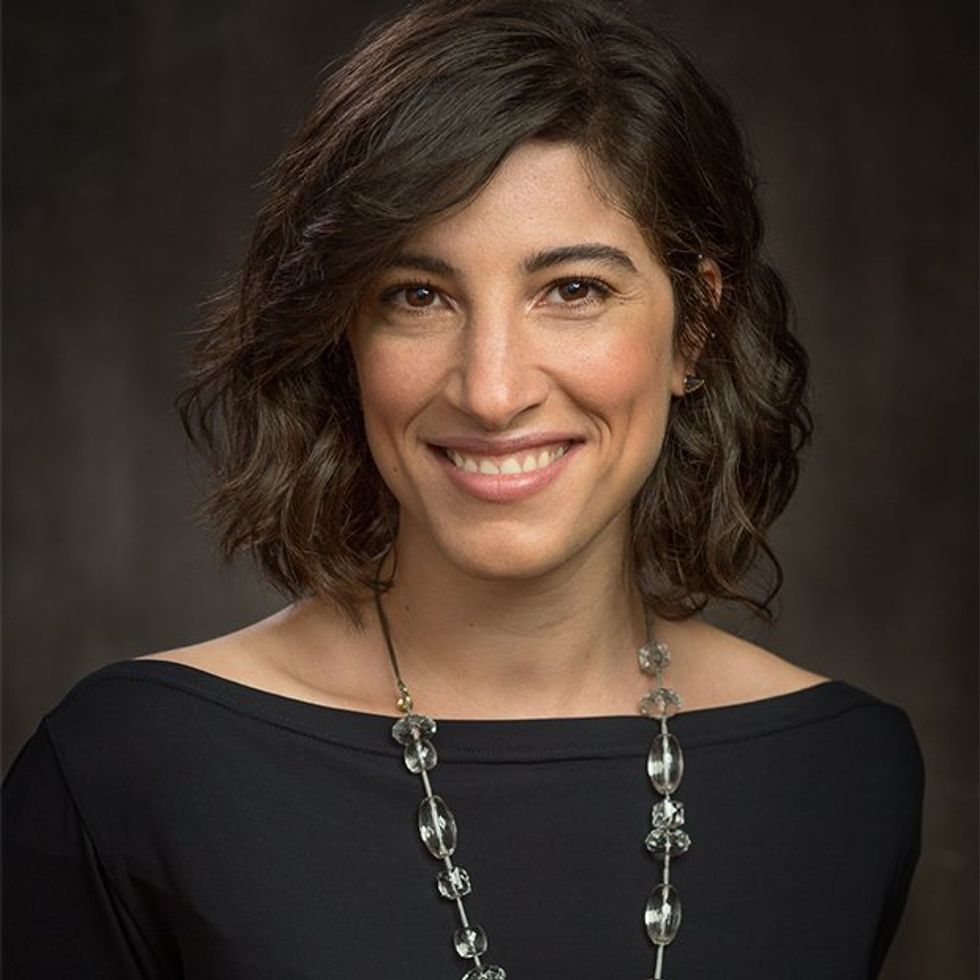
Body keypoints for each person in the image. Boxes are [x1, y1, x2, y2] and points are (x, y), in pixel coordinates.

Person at [3, 0, 924, 977]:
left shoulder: (843, 773)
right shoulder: (130, 767)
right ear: (340, 336)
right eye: (417, 295)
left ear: (690, 331)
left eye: (572, 289)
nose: (491, 390)